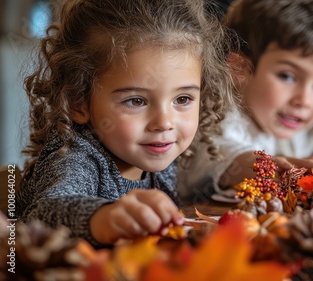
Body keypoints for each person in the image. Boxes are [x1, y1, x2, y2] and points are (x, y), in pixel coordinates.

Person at [17, 0, 234, 247]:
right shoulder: (75, 157)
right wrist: (104, 217)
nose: (164, 123)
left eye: (182, 99)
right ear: (79, 102)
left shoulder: (156, 155)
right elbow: (44, 215)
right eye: (136, 101)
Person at [178, 0, 313, 200]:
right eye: (288, 77)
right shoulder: (214, 116)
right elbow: (235, 160)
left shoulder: (308, 118)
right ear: (239, 68)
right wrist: (285, 172)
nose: (305, 100)